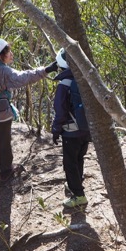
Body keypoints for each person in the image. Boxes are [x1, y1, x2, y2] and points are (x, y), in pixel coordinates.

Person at [0, 38, 58, 193]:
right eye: (9, 51)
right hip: (1, 118)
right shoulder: (4, 71)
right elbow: (23, 77)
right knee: (4, 146)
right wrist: (47, 69)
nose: (11, 54)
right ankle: (5, 172)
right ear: (1, 55)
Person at [51, 49, 91, 208]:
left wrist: (56, 130)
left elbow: (60, 112)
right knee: (79, 158)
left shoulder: (64, 85)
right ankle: (77, 182)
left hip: (71, 131)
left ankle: (79, 195)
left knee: (70, 163)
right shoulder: (85, 80)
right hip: (85, 129)